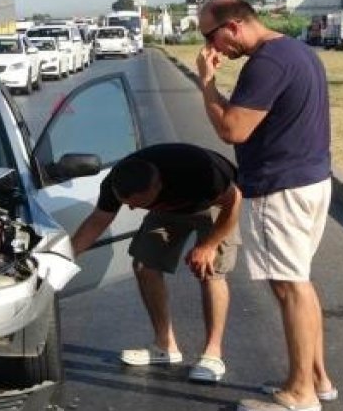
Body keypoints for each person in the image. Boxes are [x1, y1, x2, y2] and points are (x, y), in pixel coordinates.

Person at [195, 0, 335, 411]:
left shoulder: (267, 64)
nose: (212, 47)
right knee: (296, 282)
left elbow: (232, 129)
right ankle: (317, 379)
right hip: (310, 181)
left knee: (290, 286)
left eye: (210, 35)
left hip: (280, 189)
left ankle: (299, 393)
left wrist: (207, 84)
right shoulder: (296, 51)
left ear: (233, 26)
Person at [70, 143, 241, 383]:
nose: (130, 207)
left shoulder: (202, 174)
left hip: (215, 205)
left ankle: (212, 354)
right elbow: (98, 221)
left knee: (210, 272)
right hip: (169, 208)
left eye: (138, 204)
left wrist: (208, 246)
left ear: (157, 185)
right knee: (144, 265)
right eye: (126, 202)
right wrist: (66, 257)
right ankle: (164, 346)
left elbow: (234, 201)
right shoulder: (115, 182)